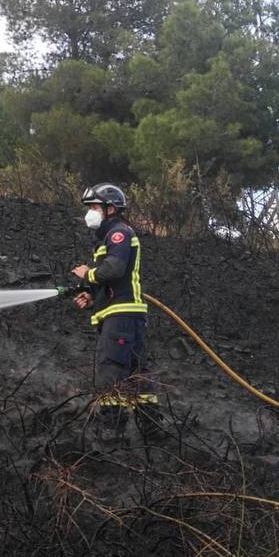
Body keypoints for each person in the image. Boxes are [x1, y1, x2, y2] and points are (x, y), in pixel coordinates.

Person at [70, 183, 164, 445]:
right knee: (137, 373)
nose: (90, 212)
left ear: (111, 209)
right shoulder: (106, 238)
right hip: (126, 317)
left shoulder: (119, 233)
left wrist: (86, 274)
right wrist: (91, 295)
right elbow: (110, 281)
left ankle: (112, 433)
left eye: (94, 207)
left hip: (121, 316)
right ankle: (152, 430)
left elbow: (114, 270)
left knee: (110, 369)